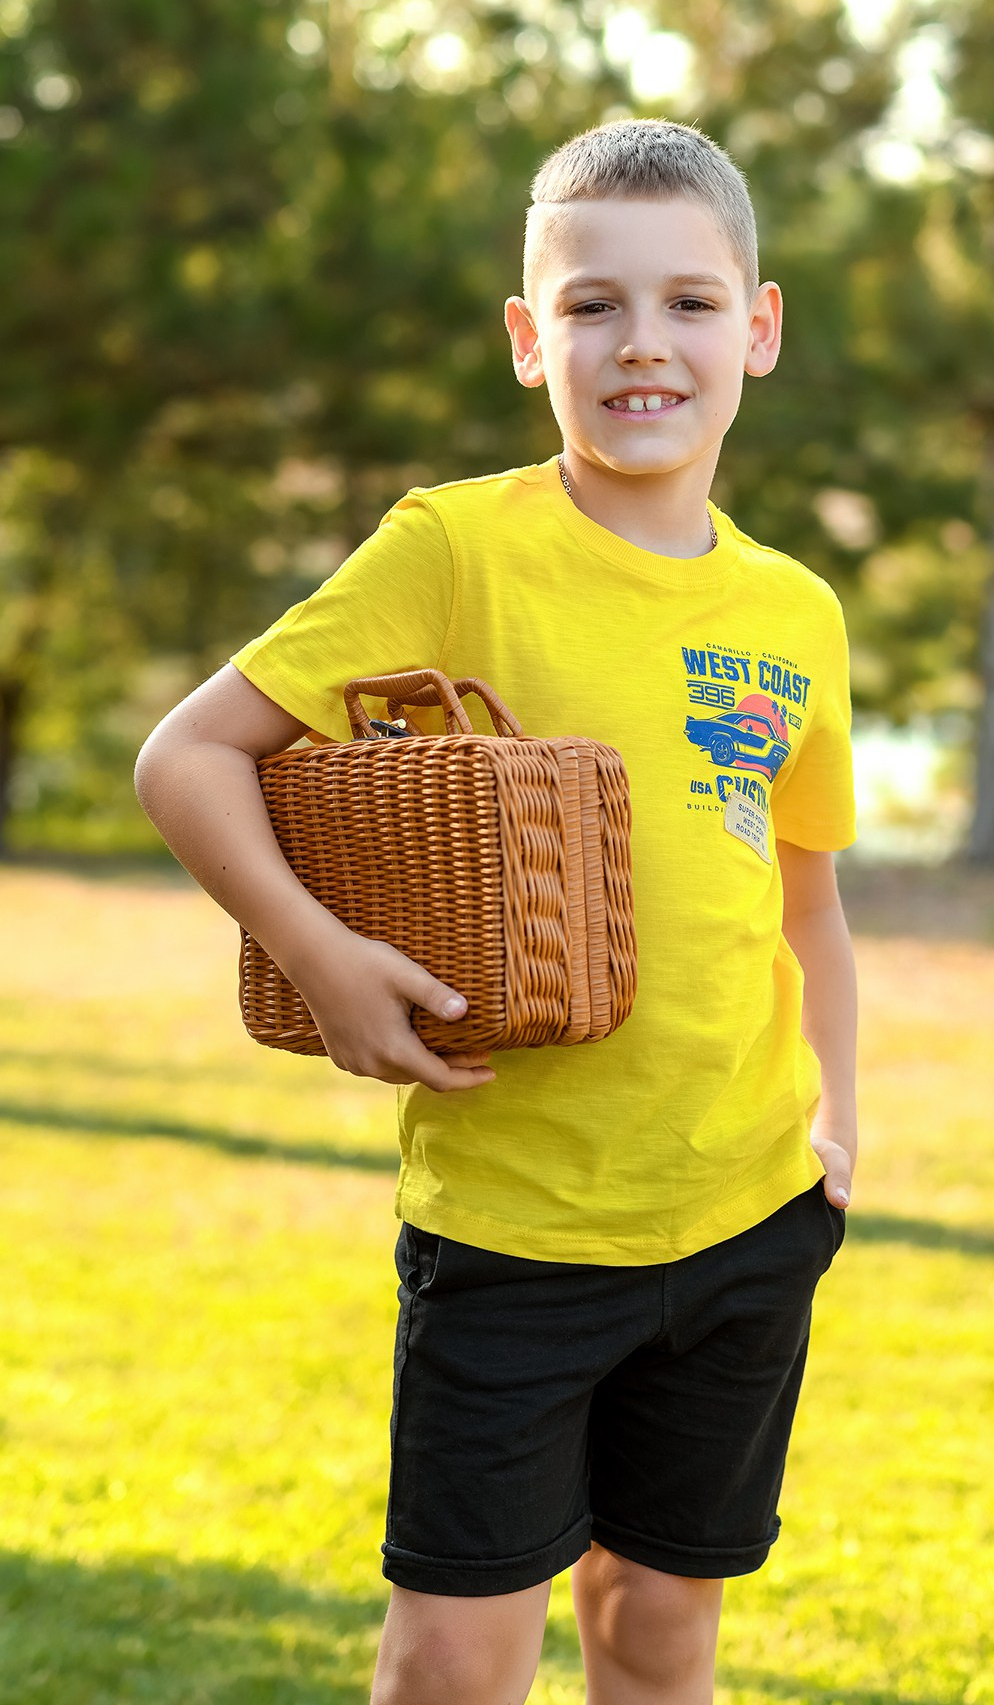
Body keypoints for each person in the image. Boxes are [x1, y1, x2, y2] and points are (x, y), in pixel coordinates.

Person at [135, 117, 857, 1705]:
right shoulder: (454, 546)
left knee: (658, 1631)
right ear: (532, 341)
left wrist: (839, 1135)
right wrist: (319, 960)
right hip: (517, 1227)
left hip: (745, 1215)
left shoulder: (796, 611)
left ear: (760, 327)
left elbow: (802, 892)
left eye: (687, 301)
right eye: (593, 306)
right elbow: (189, 757)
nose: (642, 344)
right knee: (454, 1661)